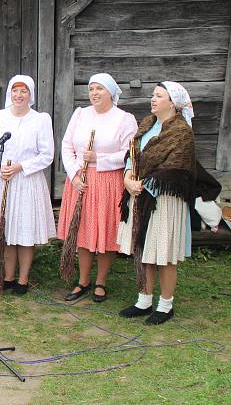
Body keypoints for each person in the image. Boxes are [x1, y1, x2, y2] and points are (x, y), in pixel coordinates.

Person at [117, 82, 196, 325]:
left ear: (172, 103)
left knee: (164, 253)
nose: (153, 99)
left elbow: (175, 168)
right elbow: (133, 153)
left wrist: (143, 185)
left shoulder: (182, 132)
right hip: (140, 195)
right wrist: (128, 178)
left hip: (165, 200)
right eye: (153, 95)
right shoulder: (147, 124)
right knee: (144, 250)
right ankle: (144, 300)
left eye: (159, 96)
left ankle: (165, 305)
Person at [57, 74, 137, 302]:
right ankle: (83, 280)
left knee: (105, 231)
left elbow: (129, 153)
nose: (94, 93)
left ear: (110, 92)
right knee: (82, 230)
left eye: (99, 88)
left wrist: (99, 158)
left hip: (108, 181)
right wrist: (73, 173)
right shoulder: (81, 114)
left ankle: (101, 280)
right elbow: (66, 145)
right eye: (91, 88)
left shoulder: (124, 119)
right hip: (81, 180)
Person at [0, 75, 55, 295]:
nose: (19, 95)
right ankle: (8, 276)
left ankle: (23, 278)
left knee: (25, 231)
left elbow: (47, 154)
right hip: (2, 179)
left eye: (24, 91)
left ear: (30, 95)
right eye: (15, 91)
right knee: (7, 229)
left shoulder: (40, 119)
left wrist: (21, 166)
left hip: (27, 180)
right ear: (9, 93)